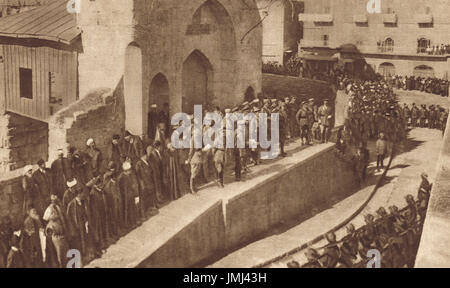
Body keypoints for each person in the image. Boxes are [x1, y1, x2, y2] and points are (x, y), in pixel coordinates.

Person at [43, 195, 69, 268]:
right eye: (53, 201)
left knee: (66, 252)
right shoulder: (49, 209)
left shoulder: (58, 207)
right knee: (60, 254)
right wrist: (52, 219)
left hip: (62, 232)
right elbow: (45, 218)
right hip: (56, 235)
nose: (55, 202)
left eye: (56, 200)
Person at [66, 188, 91, 264]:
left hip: (83, 226)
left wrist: (86, 222)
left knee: (84, 241)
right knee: (78, 244)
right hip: (76, 228)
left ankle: (84, 257)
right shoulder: (71, 204)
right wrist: (72, 230)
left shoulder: (83, 202)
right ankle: (79, 261)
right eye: (82, 194)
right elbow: (68, 218)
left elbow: (85, 214)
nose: (83, 195)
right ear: (78, 195)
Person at [135, 148, 159, 215]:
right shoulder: (139, 164)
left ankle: (152, 207)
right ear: (142, 156)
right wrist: (142, 184)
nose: (146, 156)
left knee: (151, 195)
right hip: (145, 183)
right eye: (145, 155)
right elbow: (138, 176)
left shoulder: (147, 161)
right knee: (144, 198)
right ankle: (144, 212)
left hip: (150, 181)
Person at [118, 162, 139, 228]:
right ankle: (129, 224)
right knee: (128, 210)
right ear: (126, 171)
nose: (130, 171)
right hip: (126, 197)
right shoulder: (122, 178)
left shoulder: (129, 175)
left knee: (133, 209)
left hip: (130, 195)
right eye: (129, 170)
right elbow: (123, 189)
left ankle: (134, 221)